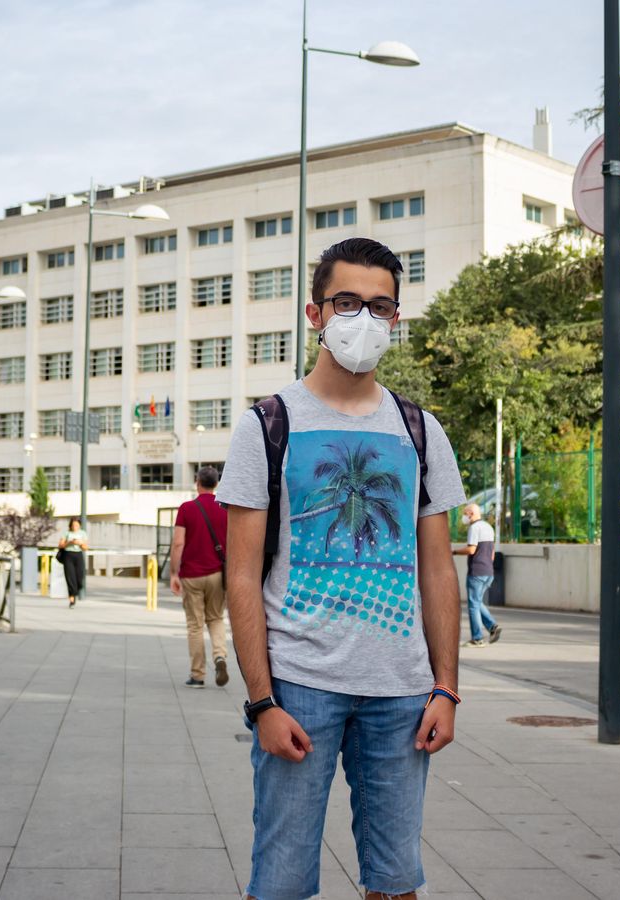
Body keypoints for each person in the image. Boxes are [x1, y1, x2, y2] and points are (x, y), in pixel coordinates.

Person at [218, 238, 465, 900]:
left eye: (380, 306)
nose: (364, 319)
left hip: (402, 694)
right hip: (300, 688)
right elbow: (239, 575)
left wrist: (445, 687)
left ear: (396, 318)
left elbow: (438, 571)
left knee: (396, 881)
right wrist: (262, 701)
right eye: (347, 302)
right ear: (314, 313)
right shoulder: (268, 425)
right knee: (282, 880)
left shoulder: (420, 430)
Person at [171, 466, 230, 688]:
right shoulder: (225, 509)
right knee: (215, 619)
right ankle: (220, 656)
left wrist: (174, 573)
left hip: (191, 575)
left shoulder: (187, 508)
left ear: (197, 482)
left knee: (195, 625)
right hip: (217, 574)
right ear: (216, 484)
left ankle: (197, 674)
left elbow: (178, 543)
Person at [452, 503, 501, 647]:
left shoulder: (474, 528)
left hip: (476, 572)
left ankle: (477, 638)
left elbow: (471, 549)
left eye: (465, 513)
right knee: (477, 602)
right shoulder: (488, 527)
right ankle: (493, 627)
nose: (464, 517)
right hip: (488, 572)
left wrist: (453, 552)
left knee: (473, 605)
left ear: (471, 514)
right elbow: (491, 554)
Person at [57, 517, 89, 608]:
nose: (75, 526)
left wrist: (80, 544)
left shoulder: (83, 533)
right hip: (68, 555)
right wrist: (70, 542)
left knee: (80, 577)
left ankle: (76, 590)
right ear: (70, 525)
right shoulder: (67, 533)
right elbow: (60, 545)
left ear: (79, 525)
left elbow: (86, 548)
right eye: (73, 525)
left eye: (76, 525)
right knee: (70, 577)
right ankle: (72, 599)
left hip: (78, 555)